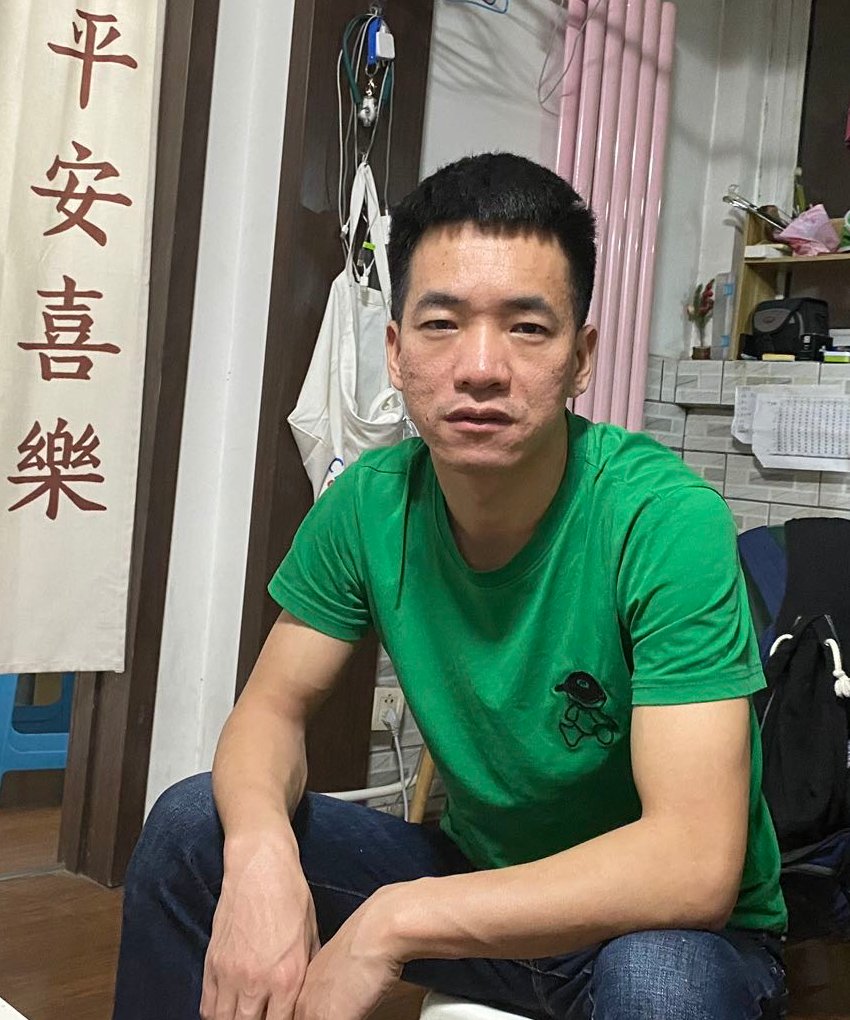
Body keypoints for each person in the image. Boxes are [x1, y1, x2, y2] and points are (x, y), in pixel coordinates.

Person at [113, 153, 788, 1020]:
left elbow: (692, 864)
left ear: (582, 358)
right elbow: (270, 712)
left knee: (660, 980)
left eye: (527, 327)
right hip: (486, 879)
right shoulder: (371, 504)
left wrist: (392, 921)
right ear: (395, 352)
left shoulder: (662, 520)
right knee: (191, 827)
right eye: (441, 323)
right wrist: (258, 857)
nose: (480, 367)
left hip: (671, 931)